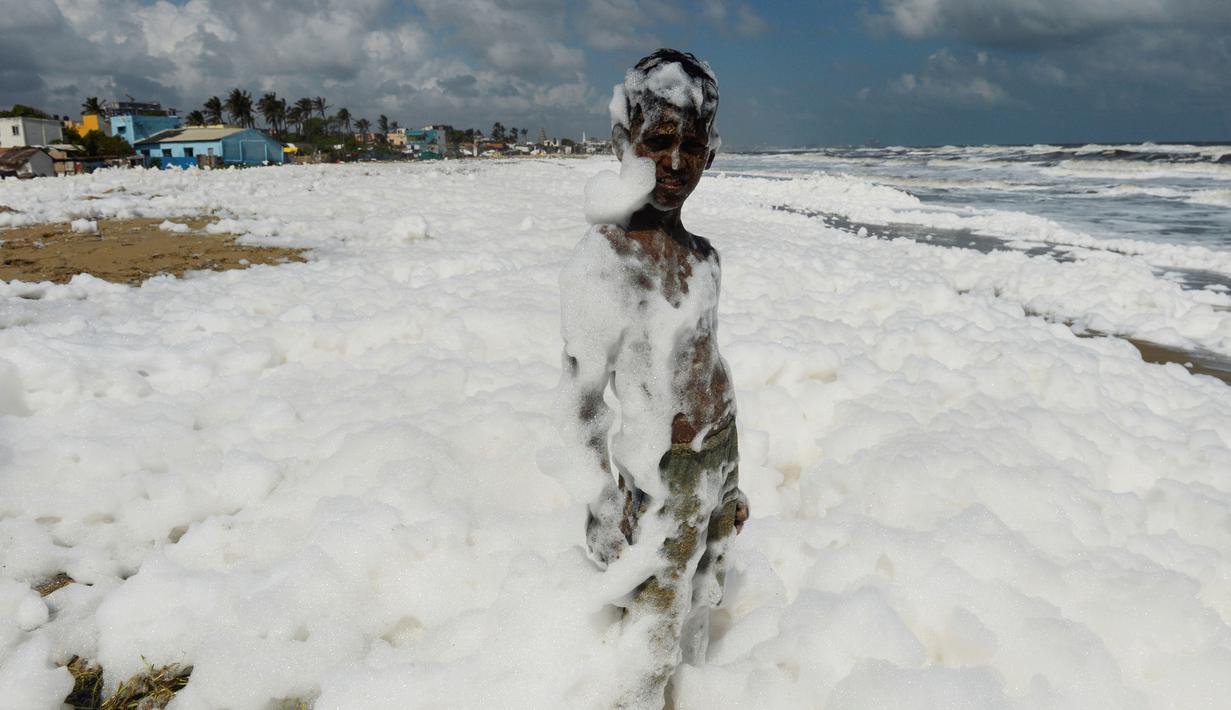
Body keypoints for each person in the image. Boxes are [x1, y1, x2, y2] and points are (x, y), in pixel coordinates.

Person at [557, 48, 748, 708]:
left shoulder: (703, 259)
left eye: (691, 144)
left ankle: (688, 695)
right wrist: (600, 505)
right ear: (623, 143)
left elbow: (706, 361)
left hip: (716, 459)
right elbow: (580, 401)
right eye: (658, 139)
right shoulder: (605, 261)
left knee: (705, 585)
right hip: (659, 475)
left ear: (711, 153)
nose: (675, 162)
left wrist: (731, 477)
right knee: (654, 620)